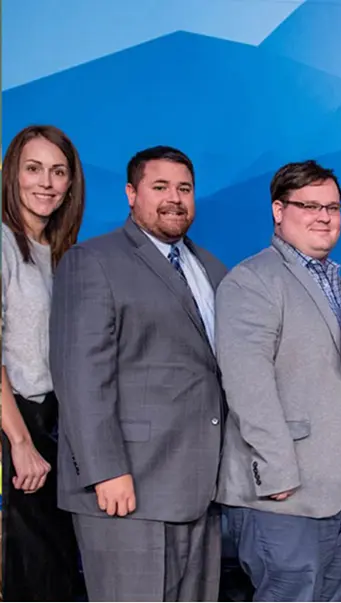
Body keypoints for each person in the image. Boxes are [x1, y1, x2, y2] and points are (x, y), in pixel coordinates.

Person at [49, 146, 227, 602]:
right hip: (128, 488)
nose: (175, 198)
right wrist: (104, 470)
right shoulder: (93, 261)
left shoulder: (209, 267)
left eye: (184, 188)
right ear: (132, 193)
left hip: (198, 489)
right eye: (160, 187)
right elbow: (80, 375)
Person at [215, 160, 341, 602]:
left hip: (338, 488)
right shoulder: (254, 280)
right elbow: (248, 384)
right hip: (285, 492)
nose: (324, 216)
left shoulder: (340, 285)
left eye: (332, 207)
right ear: (278, 210)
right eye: (309, 206)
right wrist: (276, 471)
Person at [1, 125, 86, 602]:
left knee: (56, 570)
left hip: (56, 423)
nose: (46, 183)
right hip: (18, 420)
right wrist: (19, 441)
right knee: (31, 572)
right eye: (33, 169)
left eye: (58, 172)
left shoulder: (62, 254)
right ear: (12, 174)